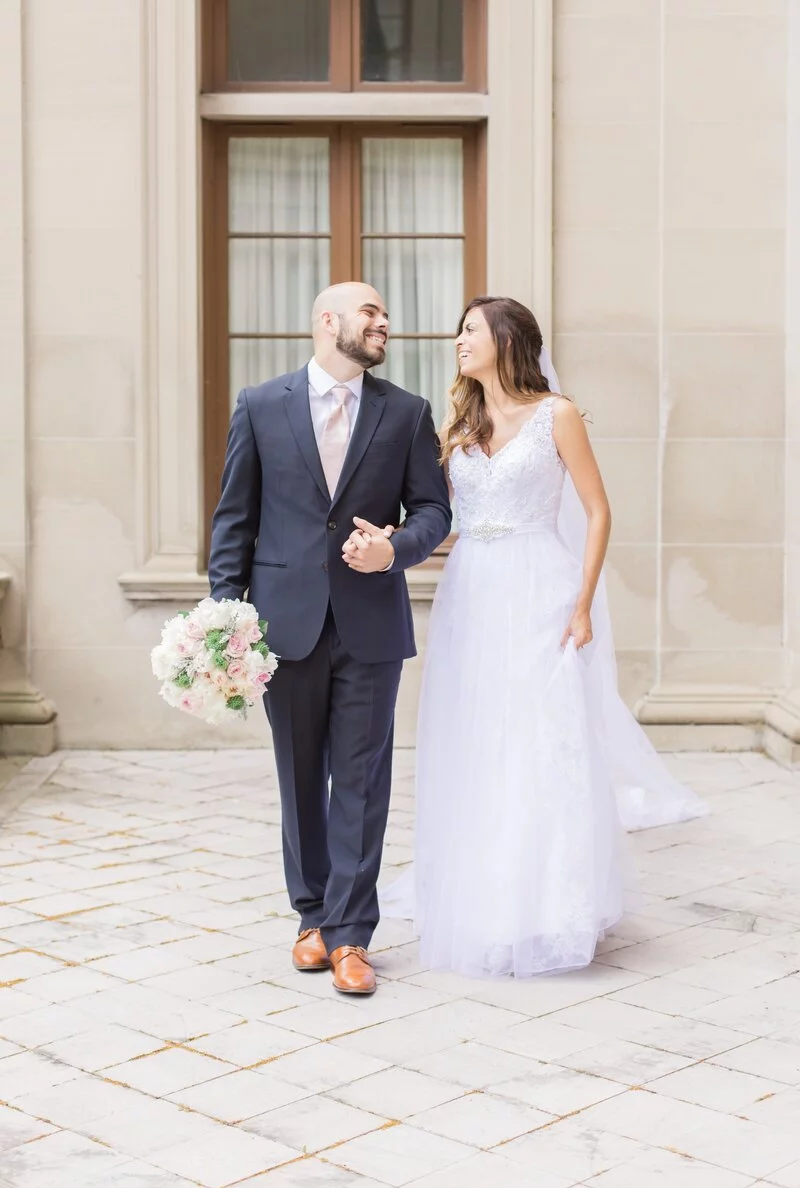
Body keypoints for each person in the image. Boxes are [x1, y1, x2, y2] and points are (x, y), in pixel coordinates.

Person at [380, 296, 706, 978]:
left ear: (506, 339)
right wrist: (394, 542)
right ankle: (485, 885)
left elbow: (596, 511)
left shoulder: (556, 414)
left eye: (471, 329)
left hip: (540, 588)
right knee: (479, 733)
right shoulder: (460, 426)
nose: (459, 340)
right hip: (472, 591)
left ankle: (551, 900)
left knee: (539, 735)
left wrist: (582, 603)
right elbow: (446, 521)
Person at [208, 282, 451, 996]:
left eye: (383, 311)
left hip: (371, 626)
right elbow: (234, 521)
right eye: (369, 312)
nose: (383, 322)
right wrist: (224, 622)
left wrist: (397, 549)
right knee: (299, 778)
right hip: (284, 625)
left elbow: (434, 508)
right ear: (327, 321)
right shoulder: (260, 405)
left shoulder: (406, 413)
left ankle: (351, 935)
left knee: (364, 783)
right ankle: (310, 916)